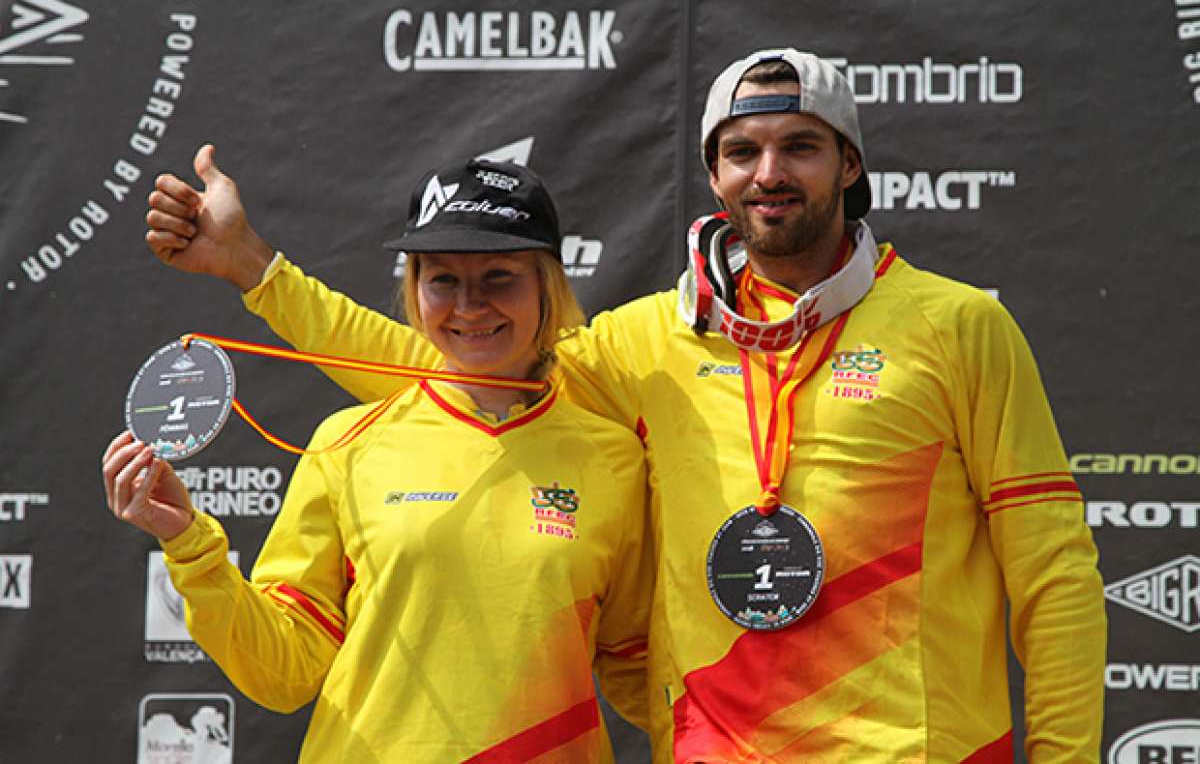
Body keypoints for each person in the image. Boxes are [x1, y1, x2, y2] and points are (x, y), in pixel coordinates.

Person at [145, 49, 1106, 763]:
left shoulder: (960, 326)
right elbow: (451, 362)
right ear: (714, 175)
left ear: (849, 164)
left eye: (799, 146)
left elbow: (1055, 575)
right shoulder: (647, 341)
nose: (769, 171)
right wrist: (253, 270)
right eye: (742, 150)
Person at [108, 159, 653, 762]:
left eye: (500, 276)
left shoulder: (614, 458)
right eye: (442, 280)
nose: (470, 305)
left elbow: (638, 665)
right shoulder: (349, 441)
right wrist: (188, 543)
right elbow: (284, 673)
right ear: (415, 289)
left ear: (548, 285)